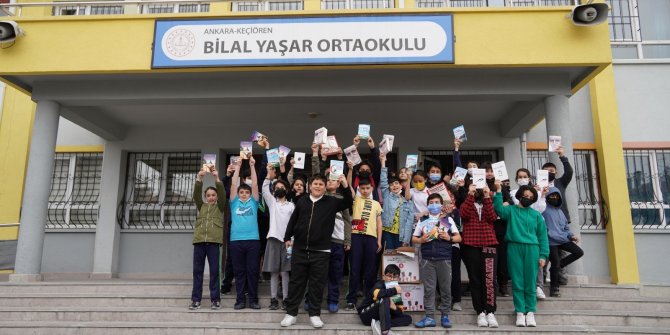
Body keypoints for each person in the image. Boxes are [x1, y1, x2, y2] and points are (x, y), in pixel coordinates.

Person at [280, 173, 353, 328]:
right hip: (299, 249)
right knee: (296, 283)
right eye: (315, 184)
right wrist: (287, 237)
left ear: (325, 186)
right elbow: (294, 219)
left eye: (321, 184)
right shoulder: (302, 201)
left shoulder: (332, 202)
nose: (318, 186)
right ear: (310, 186)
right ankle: (291, 314)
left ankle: (314, 314)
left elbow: (348, 201)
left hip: (321, 251)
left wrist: (345, 184)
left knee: (317, 284)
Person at [493, 181, 549, 327]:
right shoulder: (511, 211)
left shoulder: (536, 215)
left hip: (532, 249)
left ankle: (530, 312)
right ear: (519, 196)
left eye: (531, 197)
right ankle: (519, 312)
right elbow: (498, 208)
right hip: (514, 247)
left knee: (530, 282)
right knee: (517, 282)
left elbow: (543, 236)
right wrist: (498, 191)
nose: (527, 198)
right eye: (525, 195)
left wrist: (543, 255)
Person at [310, 151, 352, 314]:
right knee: (316, 274)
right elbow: (315, 176)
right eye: (328, 180)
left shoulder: (342, 199)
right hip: (320, 242)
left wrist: (347, 240)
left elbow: (348, 221)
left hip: (338, 242)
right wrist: (315, 155)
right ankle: (311, 299)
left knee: (335, 274)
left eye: (334, 180)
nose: (331, 182)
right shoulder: (319, 196)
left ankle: (333, 300)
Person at [411, 194, 461, 329]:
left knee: (445, 289)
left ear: (441, 205)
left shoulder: (448, 220)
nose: (434, 204)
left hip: (444, 258)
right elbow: (414, 238)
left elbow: (459, 238)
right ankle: (429, 317)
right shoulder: (423, 220)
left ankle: (445, 316)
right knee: (429, 290)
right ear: (427, 205)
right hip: (427, 259)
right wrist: (420, 240)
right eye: (431, 202)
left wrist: (448, 237)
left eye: (437, 202)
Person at [459, 183, 499, 327]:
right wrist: (470, 194)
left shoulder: (489, 201)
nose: (478, 190)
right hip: (470, 244)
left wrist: (488, 195)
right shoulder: (467, 202)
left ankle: (491, 312)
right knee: (475, 279)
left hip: (489, 244)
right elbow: (463, 214)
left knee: (490, 279)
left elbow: (492, 217)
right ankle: (480, 312)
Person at [189, 166, 226, 310]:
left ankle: (215, 300)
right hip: (199, 242)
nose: (211, 197)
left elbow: (223, 194)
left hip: (213, 243)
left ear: (216, 197)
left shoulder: (220, 206)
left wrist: (217, 178)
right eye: (208, 195)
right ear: (206, 197)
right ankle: (195, 300)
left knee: (214, 272)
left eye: (213, 195)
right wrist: (200, 179)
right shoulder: (201, 205)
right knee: (197, 271)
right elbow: (196, 195)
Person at [346, 178, 384, 311]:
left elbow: (379, 223)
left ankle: (369, 299)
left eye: (367, 188)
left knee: (370, 270)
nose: (365, 190)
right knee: (355, 269)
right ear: (358, 190)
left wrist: (379, 240)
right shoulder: (355, 200)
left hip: (372, 238)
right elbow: (348, 186)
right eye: (362, 188)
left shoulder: (376, 204)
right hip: (356, 236)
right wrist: (350, 171)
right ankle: (351, 300)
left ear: (372, 188)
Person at [261, 165, 295, 310]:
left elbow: (294, 225)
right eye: (277, 187)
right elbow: (264, 189)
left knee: (285, 272)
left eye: (282, 187)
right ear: (274, 191)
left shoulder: (292, 206)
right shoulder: (272, 203)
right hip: (273, 240)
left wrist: (292, 240)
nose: (279, 189)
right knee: (274, 272)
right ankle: (273, 299)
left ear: (286, 190)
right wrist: (269, 174)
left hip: (287, 242)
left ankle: (286, 299)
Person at [229, 156, 261, 310]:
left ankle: (254, 300)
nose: (243, 194)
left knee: (253, 271)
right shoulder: (234, 202)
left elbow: (254, 184)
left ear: (250, 194)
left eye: (246, 192)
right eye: (241, 192)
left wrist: (252, 165)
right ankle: (240, 300)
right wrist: (238, 167)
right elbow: (234, 183)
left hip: (253, 241)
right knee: (239, 272)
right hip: (236, 241)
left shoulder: (253, 202)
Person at [543, 187, 584, 298]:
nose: (554, 198)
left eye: (557, 196)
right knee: (555, 263)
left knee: (579, 252)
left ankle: (559, 265)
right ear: (547, 197)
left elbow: (566, 227)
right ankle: (554, 289)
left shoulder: (561, 211)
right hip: (551, 242)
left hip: (563, 239)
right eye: (552, 196)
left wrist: (571, 236)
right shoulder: (544, 210)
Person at [542, 145, 574, 287]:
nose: (549, 173)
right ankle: (541, 279)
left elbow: (569, 172)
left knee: (561, 253)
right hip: (544, 224)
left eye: (552, 171)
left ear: (556, 172)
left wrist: (562, 156)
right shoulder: (537, 185)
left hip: (561, 222)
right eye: (546, 171)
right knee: (545, 252)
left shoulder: (560, 182)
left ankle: (560, 276)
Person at [358, 264, 412, 335]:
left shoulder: (396, 289)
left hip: (381, 317)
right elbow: (377, 294)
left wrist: (394, 308)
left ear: (398, 278)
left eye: (395, 277)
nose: (392, 279)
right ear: (384, 277)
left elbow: (400, 312)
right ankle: (385, 331)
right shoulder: (379, 284)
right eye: (389, 276)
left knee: (408, 318)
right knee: (385, 299)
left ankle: (380, 323)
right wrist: (394, 290)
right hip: (366, 314)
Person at [379, 152, 413, 250]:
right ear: (388, 187)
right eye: (391, 184)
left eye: (397, 183)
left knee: (401, 260)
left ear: (401, 185)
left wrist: (406, 240)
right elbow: (383, 181)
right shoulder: (387, 195)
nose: (394, 185)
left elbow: (409, 222)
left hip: (401, 234)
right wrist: (383, 162)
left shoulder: (407, 200)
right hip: (387, 232)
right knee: (388, 258)